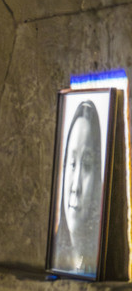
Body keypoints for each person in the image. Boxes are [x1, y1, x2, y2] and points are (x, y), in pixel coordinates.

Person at [53, 99, 104, 276]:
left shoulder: (100, 260)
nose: (76, 187)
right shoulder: (53, 254)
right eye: (72, 164)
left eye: (87, 165)